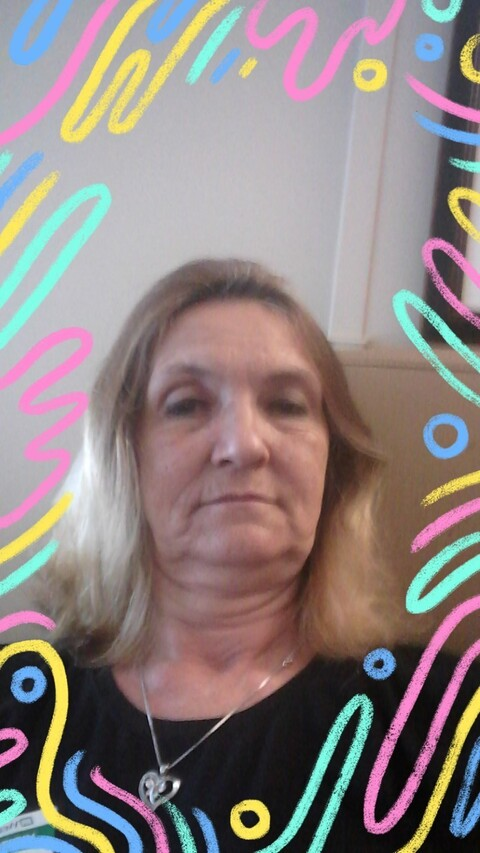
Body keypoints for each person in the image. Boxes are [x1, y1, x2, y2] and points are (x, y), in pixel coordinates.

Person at [0, 259, 478, 851]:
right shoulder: (20, 701)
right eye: (186, 404)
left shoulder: (450, 718)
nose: (245, 445)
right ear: (125, 456)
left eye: (286, 405)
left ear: (332, 467)